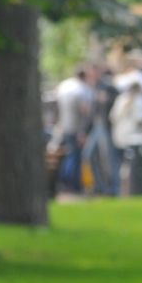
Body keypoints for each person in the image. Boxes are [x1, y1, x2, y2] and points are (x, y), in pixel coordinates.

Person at [110, 64, 142, 195]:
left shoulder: (120, 99)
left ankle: (120, 188)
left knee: (121, 162)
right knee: (132, 163)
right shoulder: (139, 100)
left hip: (119, 136)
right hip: (133, 137)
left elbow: (112, 117)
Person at [49, 66, 95, 195]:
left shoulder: (65, 86)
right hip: (76, 128)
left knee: (68, 154)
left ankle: (64, 183)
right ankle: (72, 184)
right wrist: (83, 132)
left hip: (64, 126)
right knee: (75, 157)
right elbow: (84, 112)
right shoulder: (81, 91)